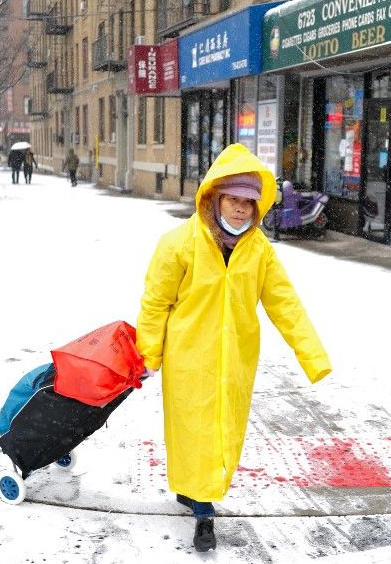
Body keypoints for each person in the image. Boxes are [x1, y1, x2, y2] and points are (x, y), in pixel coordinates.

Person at [136, 143, 331, 553]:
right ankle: (204, 511)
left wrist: (312, 355)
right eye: (233, 200)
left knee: (221, 430)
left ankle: (194, 493)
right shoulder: (180, 243)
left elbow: (285, 304)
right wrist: (148, 353)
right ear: (214, 197)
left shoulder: (259, 250)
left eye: (249, 202)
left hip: (236, 359)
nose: (241, 210)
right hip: (188, 358)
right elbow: (156, 301)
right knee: (193, 431)